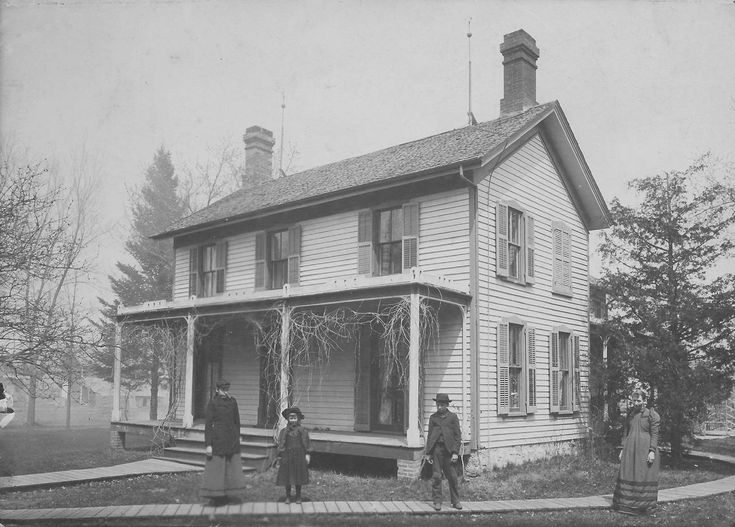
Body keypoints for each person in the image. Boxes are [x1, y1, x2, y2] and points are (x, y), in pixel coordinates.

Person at [612, 389, 661, 516]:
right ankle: (626, 506)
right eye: (634, 401)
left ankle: (643, 507)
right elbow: (625, 432)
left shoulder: (652, 415)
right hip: (630, 448)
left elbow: (655, 434)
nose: (636, 403)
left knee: (642, 474)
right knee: (628, 473)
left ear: (644, 401)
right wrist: (622, 449)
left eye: (638, 400)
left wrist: (652, 451)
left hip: (644, 449)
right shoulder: (630, 414)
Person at [200, 379, 246, 506]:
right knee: (217, 469)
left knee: (230, 469)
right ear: (217, 390)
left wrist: (237, 437)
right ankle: (216, 497)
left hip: (231, 439)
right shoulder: (213, 403)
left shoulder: (233, 402)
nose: (225, 392)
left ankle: (226, 495)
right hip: (217, 440)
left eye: (227, 390)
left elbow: (237, 422)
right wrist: (208, 445)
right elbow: (208, 425)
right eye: (223, 390)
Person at [424, 393, 462, 511]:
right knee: (436, 476)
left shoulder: (453, 417)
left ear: (446, 405)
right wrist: (428, 452)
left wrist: (455, 452)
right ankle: (437, 501)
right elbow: (430, 436)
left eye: (442, 405)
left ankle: (455, 501)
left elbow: (457, 436)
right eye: (438, 405)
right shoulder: (433, 418)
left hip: (449, 451)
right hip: (437, 450)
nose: (439, 407)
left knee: (452, 476)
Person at [276, 406, 311, 504]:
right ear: (288, 419)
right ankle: (288, 496)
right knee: (287, 477)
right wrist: (280, 455)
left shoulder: (302, 431)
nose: (293, 420)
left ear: (298, 419)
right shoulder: (284, 431)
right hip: (287, 456)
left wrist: (307, 454)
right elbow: (281, 444)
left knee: (298, 476)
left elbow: (306, 443)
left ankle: (298, 496)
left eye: (295, 418)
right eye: (291, 418)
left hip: (299, 456)